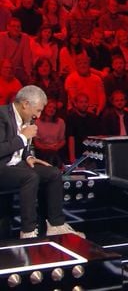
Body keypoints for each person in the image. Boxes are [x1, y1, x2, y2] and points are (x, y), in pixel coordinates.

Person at [0, 85, 85, 239]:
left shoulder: (25, 118)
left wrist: (28, 157)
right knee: (30, 177)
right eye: (38, 110)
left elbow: (21, 150)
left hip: (17, 166)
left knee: (53, 173)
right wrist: (22, 138)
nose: (38, 116)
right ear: (25, 104)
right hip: (2, 168)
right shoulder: (2, 115)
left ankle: (56, 225)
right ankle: (28, 231)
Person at [34, 99, 66, 168]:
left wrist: (56, 147)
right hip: (42, 151)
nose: (52, 109)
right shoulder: (37, 122)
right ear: (44, 108)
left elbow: (62, 140)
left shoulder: (60, 122)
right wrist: (47, 148)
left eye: (54, 108)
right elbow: (36, 143)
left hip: (56, 149)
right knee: (50, 156)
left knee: (54, 155)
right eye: (49, 107)